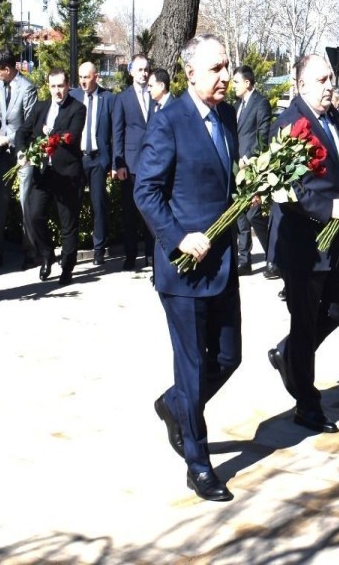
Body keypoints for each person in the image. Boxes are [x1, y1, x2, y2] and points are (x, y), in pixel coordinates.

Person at [134, 34, 242, 503]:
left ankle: (174, 404)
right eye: (215, 69)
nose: (225, 77)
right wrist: (178, 236)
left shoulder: (226, 117)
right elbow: (146, 190)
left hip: (223, 261)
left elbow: (223, 181)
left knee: (229, 356)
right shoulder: (170, 121)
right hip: (184, 269)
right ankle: (198, 463)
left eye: (226, 68)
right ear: (190, 72)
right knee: (194, 366)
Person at [266, 53, 339, 436]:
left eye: (330, 79)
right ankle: (306, 403)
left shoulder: (331, 117)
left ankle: (288, 354)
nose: (329, 85)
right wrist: (328, 208)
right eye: (321, 80)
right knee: (304, 323)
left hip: (333, 236)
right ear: (300, 85)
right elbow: (289, 190)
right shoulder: (289, 125)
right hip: (301, 241)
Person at [23, 69, 86, 285]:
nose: (57, 91)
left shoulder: (77, 108)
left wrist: (50, 134)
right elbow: (23, 132)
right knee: (33, 215)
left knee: (68, 224)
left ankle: (67, 267)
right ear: (47, 86)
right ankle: (47, 254)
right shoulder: (40, 108)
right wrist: (23, 151)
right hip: (43, 174)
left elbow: (72, 135)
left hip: (67, 176)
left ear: (68, 85)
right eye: (53, 86)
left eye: (61, 86)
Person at [0, 48, 37, 270]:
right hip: (4, 154)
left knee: (25, 200)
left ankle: (30, 252)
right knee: (1, 200)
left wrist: (7, 140)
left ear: (8, 69)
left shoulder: (28, 89)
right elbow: (1, 116)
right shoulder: (1, 84)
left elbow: (30, 126)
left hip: (22, 152)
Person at [231, 65, 276, 278]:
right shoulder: (236, 105)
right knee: (240, 214)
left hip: (251, 168)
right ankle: (244, 260)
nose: (233, 86)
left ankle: (273, 258)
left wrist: (250, 159)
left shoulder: (261, 103)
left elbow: (263, 136)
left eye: (236, 82)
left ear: (247, 83)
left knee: (254, 214)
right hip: (236, 168)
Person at [70, 62, 115, 267]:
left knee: (99, 204)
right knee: (73, 204)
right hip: (78, 159)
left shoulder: (108, 99)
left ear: (95, 76)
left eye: (87, 77)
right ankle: (71, 249)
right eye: (80, 77)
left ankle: (99, 249)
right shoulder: (74, 96)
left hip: (98, 158)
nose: (83, 81)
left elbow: (116, 133)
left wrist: (113, 161)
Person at [112, 55, 155, 270]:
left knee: (151, 210)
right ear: (131, 72)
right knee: (129, 213)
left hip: (153, 162)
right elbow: (117, 132)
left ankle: (150, 253)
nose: (143, 74)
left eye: (146, 69)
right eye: (139, 70)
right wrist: (117, 164)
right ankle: (130, 255)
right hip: (130, 164)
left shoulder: (156, 95)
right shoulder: (123, 98)